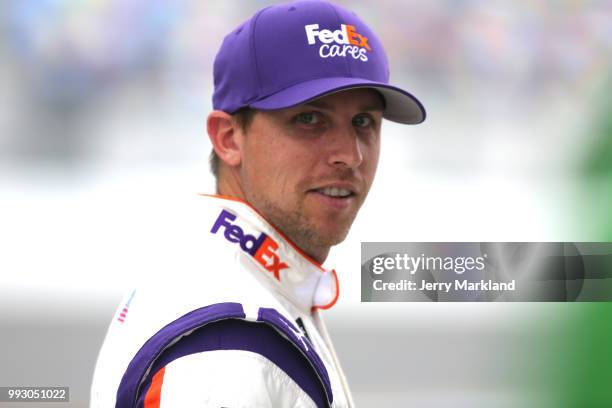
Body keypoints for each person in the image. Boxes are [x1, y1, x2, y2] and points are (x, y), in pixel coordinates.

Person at [90, 0, 425, 407]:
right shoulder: (230, 350)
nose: (349, 155)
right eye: (309, 119)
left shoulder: (225, 275)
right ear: (229, 138)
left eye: (363, 122)